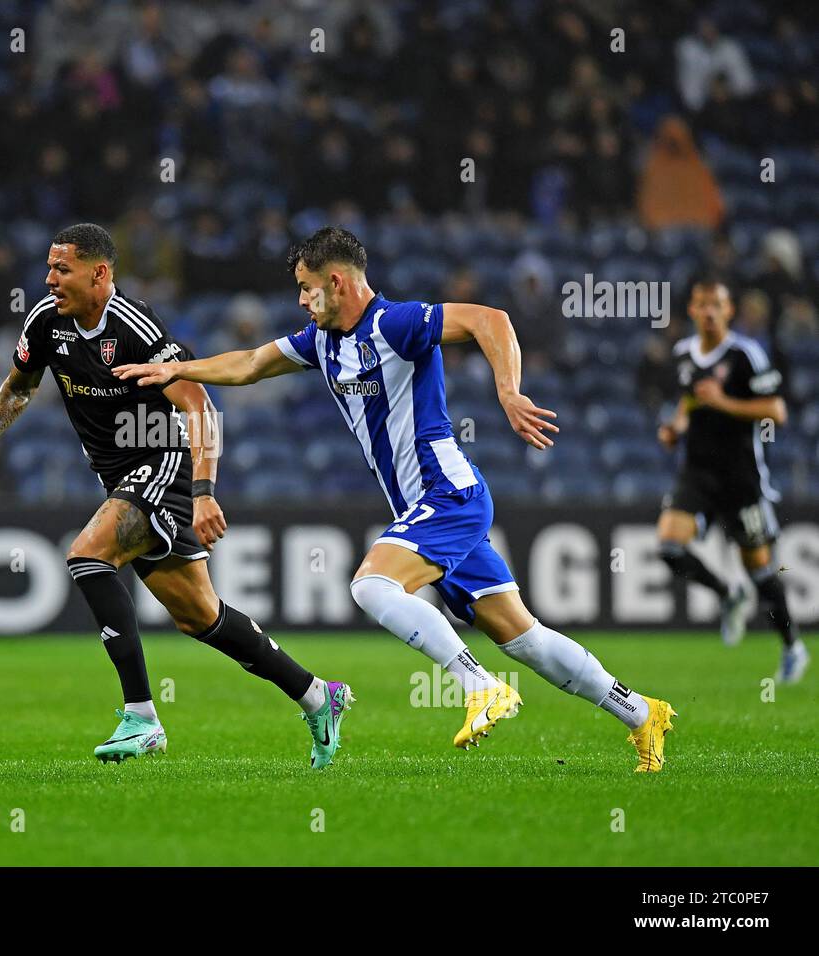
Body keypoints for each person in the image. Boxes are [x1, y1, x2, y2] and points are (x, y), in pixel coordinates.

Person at [116, 226, 676, 772]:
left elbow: (490, 319)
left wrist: (509, 391)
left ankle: (479, 686)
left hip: (447, 492)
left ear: (337, 282)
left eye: (306, 288)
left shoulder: (396, 322)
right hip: (427, 507)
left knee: (370, 585)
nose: (301, 300)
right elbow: (252, 363)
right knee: (522, 636)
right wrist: (177, 368)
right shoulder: (323, 341)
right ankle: (641, 711)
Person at [0, 223, 351, 767]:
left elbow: (199, 406)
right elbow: (22, 382)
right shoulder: (46, 321)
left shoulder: (134, 327)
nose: (50, 279)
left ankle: (142, 717)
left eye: (61, 269)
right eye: (49, 267)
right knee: (200, 616)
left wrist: (204, 493)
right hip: (119, 479)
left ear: (99, 273)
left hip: (161, 462)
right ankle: (317, 695)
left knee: (88, 554)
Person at [656, 276, 805, 683]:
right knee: (670, 547)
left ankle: (792, 645)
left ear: (728, 310)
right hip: (697, 472)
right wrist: (675, 427)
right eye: (701, 304)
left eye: (716, 304)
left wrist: (724, 402)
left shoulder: (745, 355)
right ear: (691, 309)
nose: (708, 311)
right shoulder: (683, 352)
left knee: (760, 570)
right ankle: (727, 595)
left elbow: (777, 410)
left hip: (740, 477)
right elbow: (689, 398)